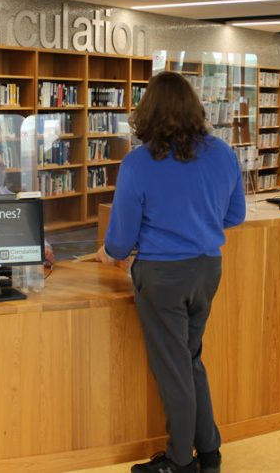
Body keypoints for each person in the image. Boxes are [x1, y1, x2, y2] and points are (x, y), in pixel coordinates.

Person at [97, 71, 245, 473]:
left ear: (147, 112)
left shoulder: (139, 163)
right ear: (195, 107)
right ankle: (209, 451)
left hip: (162, 276)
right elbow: (235, 215)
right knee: (190, 359)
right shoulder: (223, 152)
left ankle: (180, 460)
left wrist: (109, 252)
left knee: (174, 370)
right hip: (207, 269)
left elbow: (119, 243)